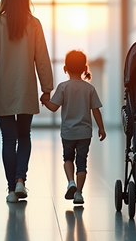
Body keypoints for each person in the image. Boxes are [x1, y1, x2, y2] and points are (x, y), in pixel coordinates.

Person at [0, 0, 53, 203]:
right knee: (24, 136)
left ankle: (12, 189)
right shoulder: (34, 24)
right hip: (25, 88)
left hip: (2, 89)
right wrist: (46, 88)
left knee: (8, 138)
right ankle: (21, 179)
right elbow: (41, 58)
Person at [41, 50, 105, 205]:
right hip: (84, 133)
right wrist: (101, 128)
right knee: (82, 162)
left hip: (68, 133)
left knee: (68, 158)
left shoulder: (63, 87)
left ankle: (71, 182)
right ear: (84, 68)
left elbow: (53, 107)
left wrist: (44, 100)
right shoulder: (89, 89)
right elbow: (96, 110)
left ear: (65, 68)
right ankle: (79, 194)